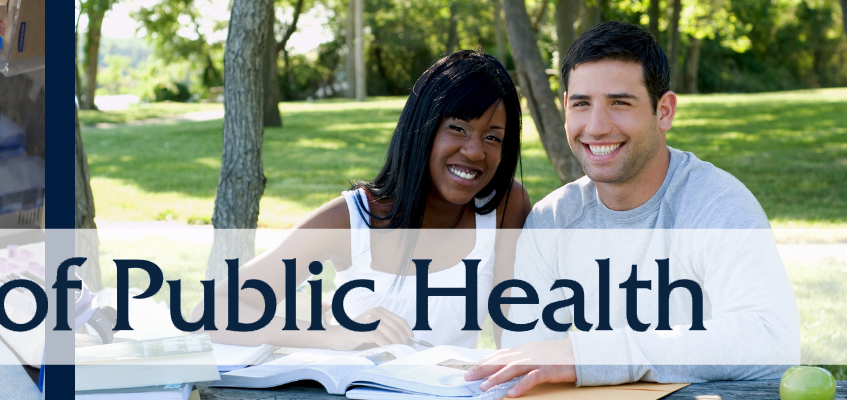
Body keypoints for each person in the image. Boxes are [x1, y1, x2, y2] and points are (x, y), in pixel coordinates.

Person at [464, 21, 800, 397]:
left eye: (619, 103)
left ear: (664, 111)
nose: (596, 126)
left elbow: (772, 341)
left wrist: (594, 355)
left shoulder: (716, 204)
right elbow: (525, 362)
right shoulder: (553, 221)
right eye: (582, 104)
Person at [193, 50, 531, 350]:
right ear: (421, 128)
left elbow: (514, 331)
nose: (475, 151)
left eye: (492, 137)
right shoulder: (351, 218)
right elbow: (211, 312)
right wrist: (332, 334)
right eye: (457, 128)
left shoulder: (505, 206)